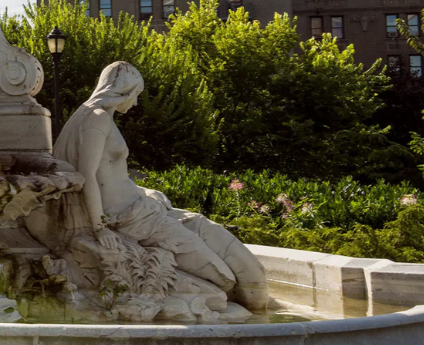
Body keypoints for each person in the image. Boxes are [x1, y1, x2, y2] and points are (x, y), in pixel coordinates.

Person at [42, 61, 270, 311]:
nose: (136, 103)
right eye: (136, 95)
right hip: (132, 220)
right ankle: (239, 306)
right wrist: (101, 229)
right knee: (224, 277)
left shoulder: (89, 117)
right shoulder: (97, 120)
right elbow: (87, 177)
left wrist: (145, 192)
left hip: (144, 208)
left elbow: (109, 176)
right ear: (122, 90)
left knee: (205, 229)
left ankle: (252, 300)